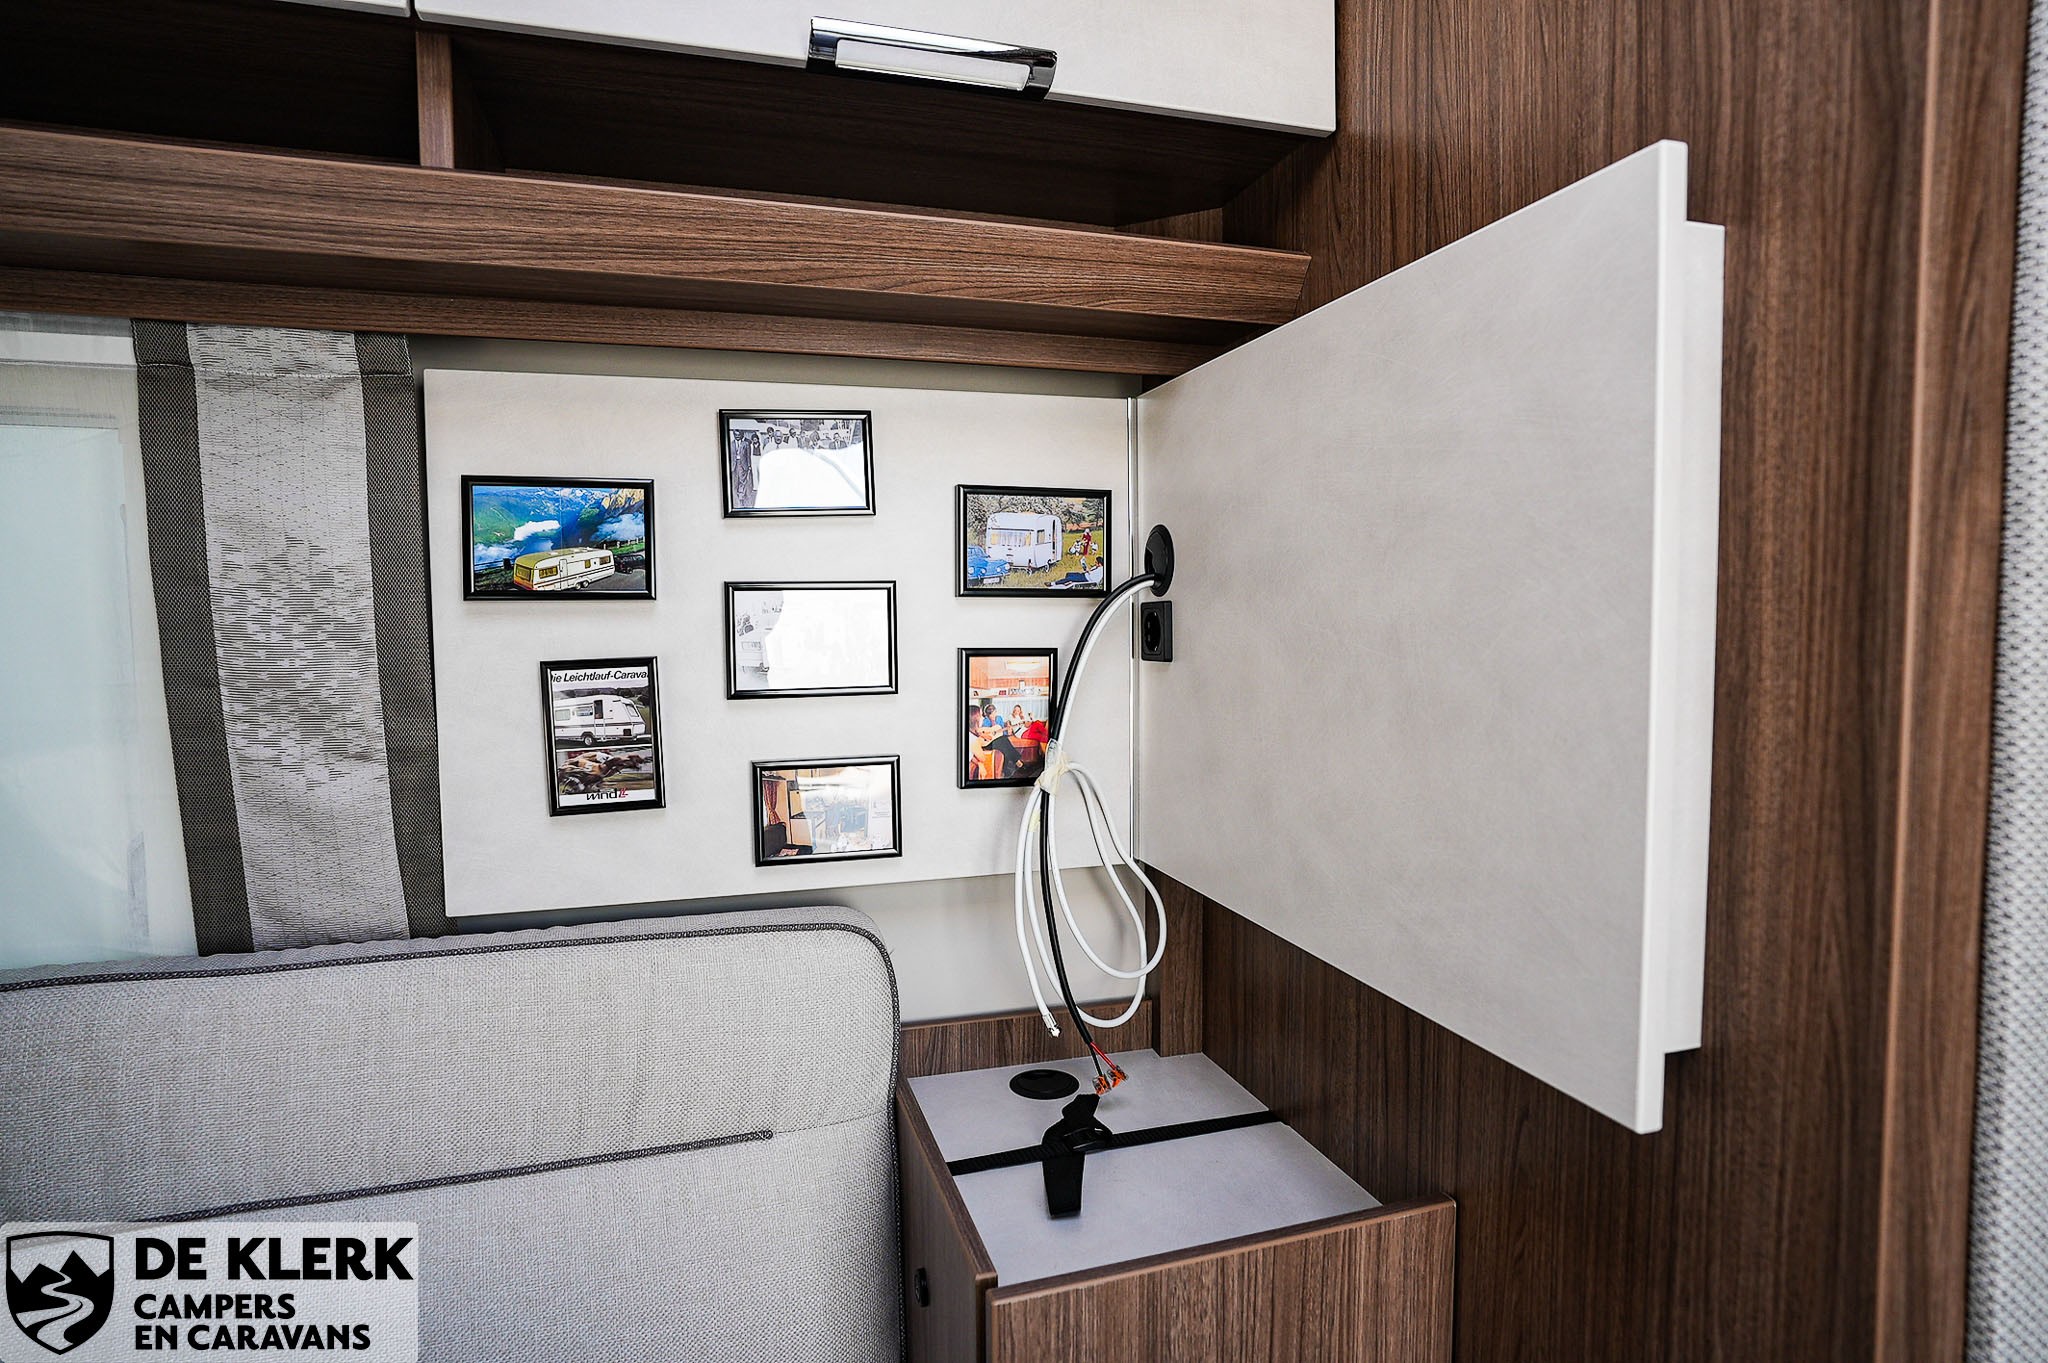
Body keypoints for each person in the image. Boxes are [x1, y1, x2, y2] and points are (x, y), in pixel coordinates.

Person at [974, 699, 1021, 779]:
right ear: (987, 715)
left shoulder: (999, 718)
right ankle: (1016, 761)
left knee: (1004, 743)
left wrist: (1008, 731)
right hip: (989, 743)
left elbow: (1002, 731)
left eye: (994, 713)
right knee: (1004, 742)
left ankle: (1006, 770)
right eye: (991, 714)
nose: (993, 716)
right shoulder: (985, 721)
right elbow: (981, 732)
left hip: (999, 739)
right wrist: (988, 733)